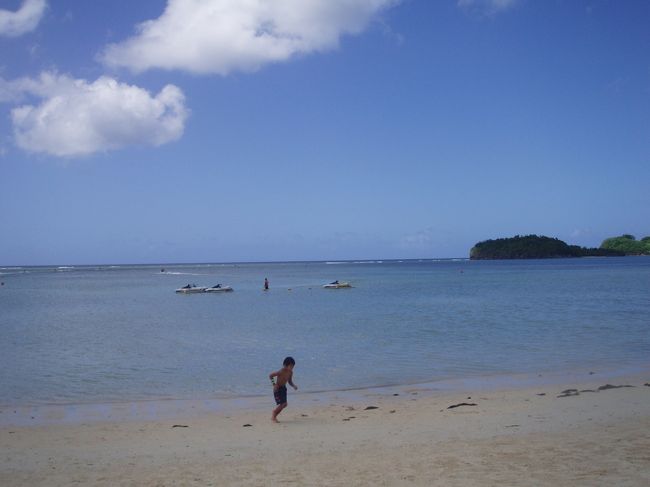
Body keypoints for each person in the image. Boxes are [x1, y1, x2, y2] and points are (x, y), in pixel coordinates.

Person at [269, 356, 297, 422]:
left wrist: (293, 386)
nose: (292, 368)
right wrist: (274, 384)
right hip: (277, 389)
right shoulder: (281, 371)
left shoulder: (290, 373)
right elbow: (270, 376)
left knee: (285, 404)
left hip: (283, 389)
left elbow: (289, 381)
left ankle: (274, 414)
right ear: (285, 365)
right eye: (291, 366)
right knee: (283, 404)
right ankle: (274, 415)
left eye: (293, 366)